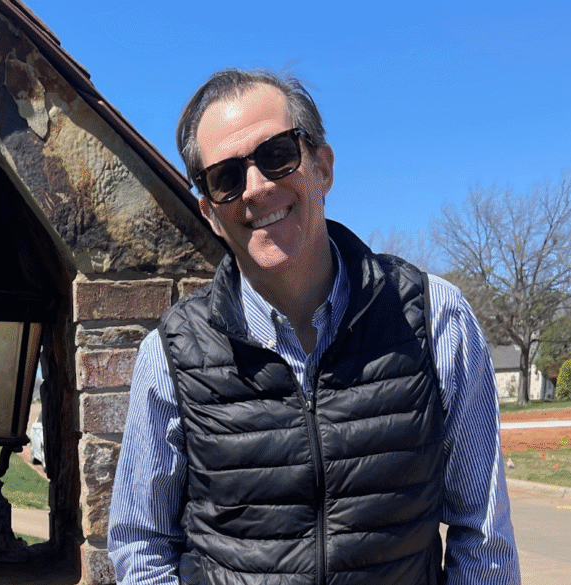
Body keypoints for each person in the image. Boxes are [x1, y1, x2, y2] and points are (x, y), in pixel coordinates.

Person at [107, 69, 520, 584]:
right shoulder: (169, 357)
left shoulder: (436, 319)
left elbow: (481, 541)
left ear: (322, 166)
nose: (256, 188)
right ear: (211, 212)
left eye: (277, 155)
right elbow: (142, 548)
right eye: (226, 178)